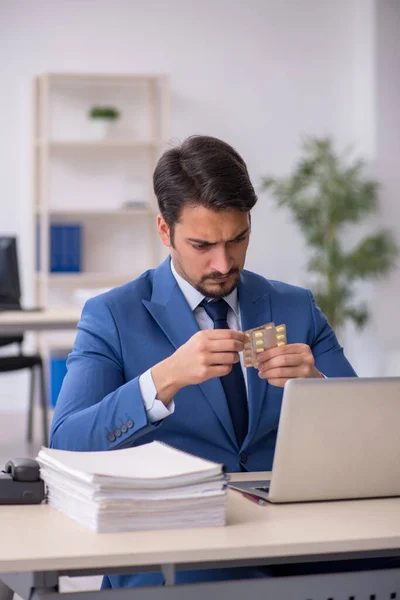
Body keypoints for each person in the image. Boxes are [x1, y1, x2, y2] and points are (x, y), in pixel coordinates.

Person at [50, 135, 356, 588]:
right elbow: (67, 443)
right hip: (177, 539)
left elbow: (365, 433)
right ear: (163, 230)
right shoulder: (112, 315)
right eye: (201, 245)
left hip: (299, 531)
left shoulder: (296, 306)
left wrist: (317, 386)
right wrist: (163, 380)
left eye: (238, 239)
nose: (223, 262)